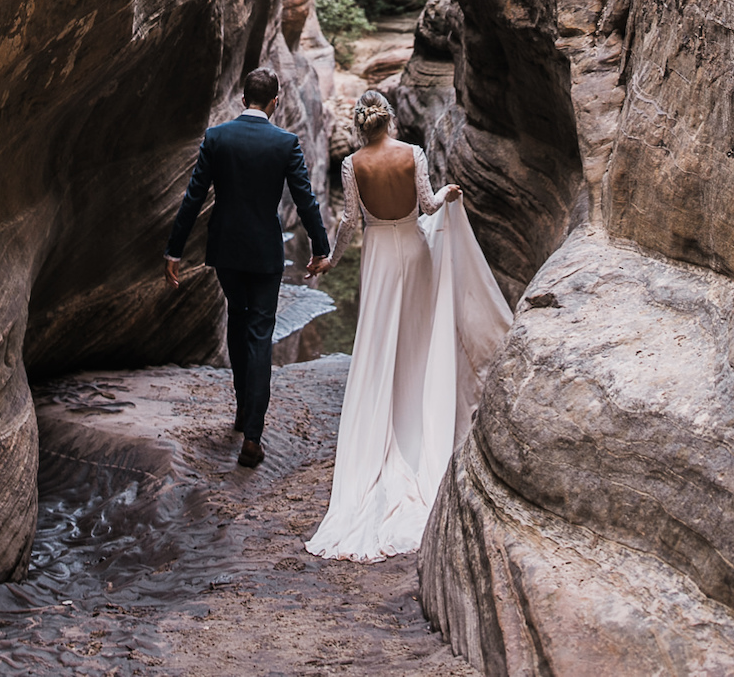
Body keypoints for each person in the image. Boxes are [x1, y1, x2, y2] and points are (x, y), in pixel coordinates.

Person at [305, 91, 513, 561]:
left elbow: (350, 221)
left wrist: (331, 261)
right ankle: (419, 421)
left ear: (360, 127)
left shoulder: (352, 165)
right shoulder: (412, 154)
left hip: (377, 258)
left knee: (378, 346)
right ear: (390, 121)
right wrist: (447, 193)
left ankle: (376, 437)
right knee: (416, 344)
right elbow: (428, 205)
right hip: (414, 250)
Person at [164, 66, 333, 467]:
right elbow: (306, 200)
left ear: (243, 99)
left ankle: (242, 411)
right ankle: (253, 436)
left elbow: (193, 197)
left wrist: (174, 250)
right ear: (275, 102)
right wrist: (320, 248)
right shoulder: (286, 142)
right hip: (264, 254)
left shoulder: (217, 137)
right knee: (260, 333)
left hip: (225, 250)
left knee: (238, 321)